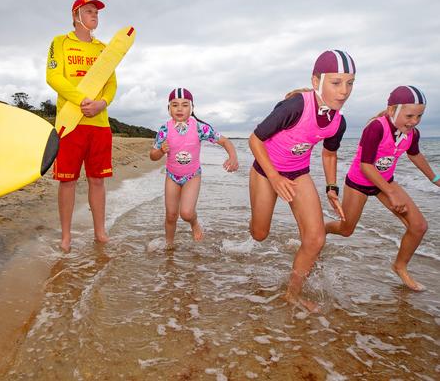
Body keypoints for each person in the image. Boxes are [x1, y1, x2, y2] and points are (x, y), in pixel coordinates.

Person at [248, 50, 356, 312]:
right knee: (260, 234)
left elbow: (329, 154)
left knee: (315, 239)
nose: (344, 91)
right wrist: (273, 178)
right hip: (266, 171)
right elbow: (255, 140)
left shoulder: (337, 122)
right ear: (316, 80)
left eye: (350, 83)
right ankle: (255, 218)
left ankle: (292, 294)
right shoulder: (296, 106)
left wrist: (331, 188)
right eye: (336, 82)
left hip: (298, 173)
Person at [325, 85, 438, 291]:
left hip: (385, 181)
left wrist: (435, 178)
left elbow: (415, 155)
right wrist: (391, 193)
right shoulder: (376, 127)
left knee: (419, 226)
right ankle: (322, 229)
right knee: (346, 229)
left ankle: (400, 267)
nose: (414, 121)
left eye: (419, 116)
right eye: (410, 115)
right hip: (359, 182)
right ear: (392, 110)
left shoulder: (412, 133)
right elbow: (366, 165)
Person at [46, 0, 116, 252]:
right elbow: (53, 76)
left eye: (96, 12)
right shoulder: (60, 42)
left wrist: (102, 103)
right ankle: (66, 236)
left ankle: (100, 232)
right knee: (68, 181)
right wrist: (81, 100)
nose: (95, 14)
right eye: (89, 10)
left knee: (98, 180)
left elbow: (111, 83)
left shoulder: (104, 49)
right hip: (70, 122)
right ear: (76, 15)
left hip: (99, 123)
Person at [150, 88, 238, 248]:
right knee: (170, 215)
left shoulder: (199, 128)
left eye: (184, 105)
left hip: (192, 176)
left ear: (192, 108)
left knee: (186, 213)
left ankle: (194, 222)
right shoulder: (164, 129)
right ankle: (169, 246)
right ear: (168, 108)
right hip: (172, 176)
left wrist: (233, 157)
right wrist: (161, 150)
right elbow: (152, 155)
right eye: (175, 105)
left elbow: (225, 141)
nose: (179, 109)